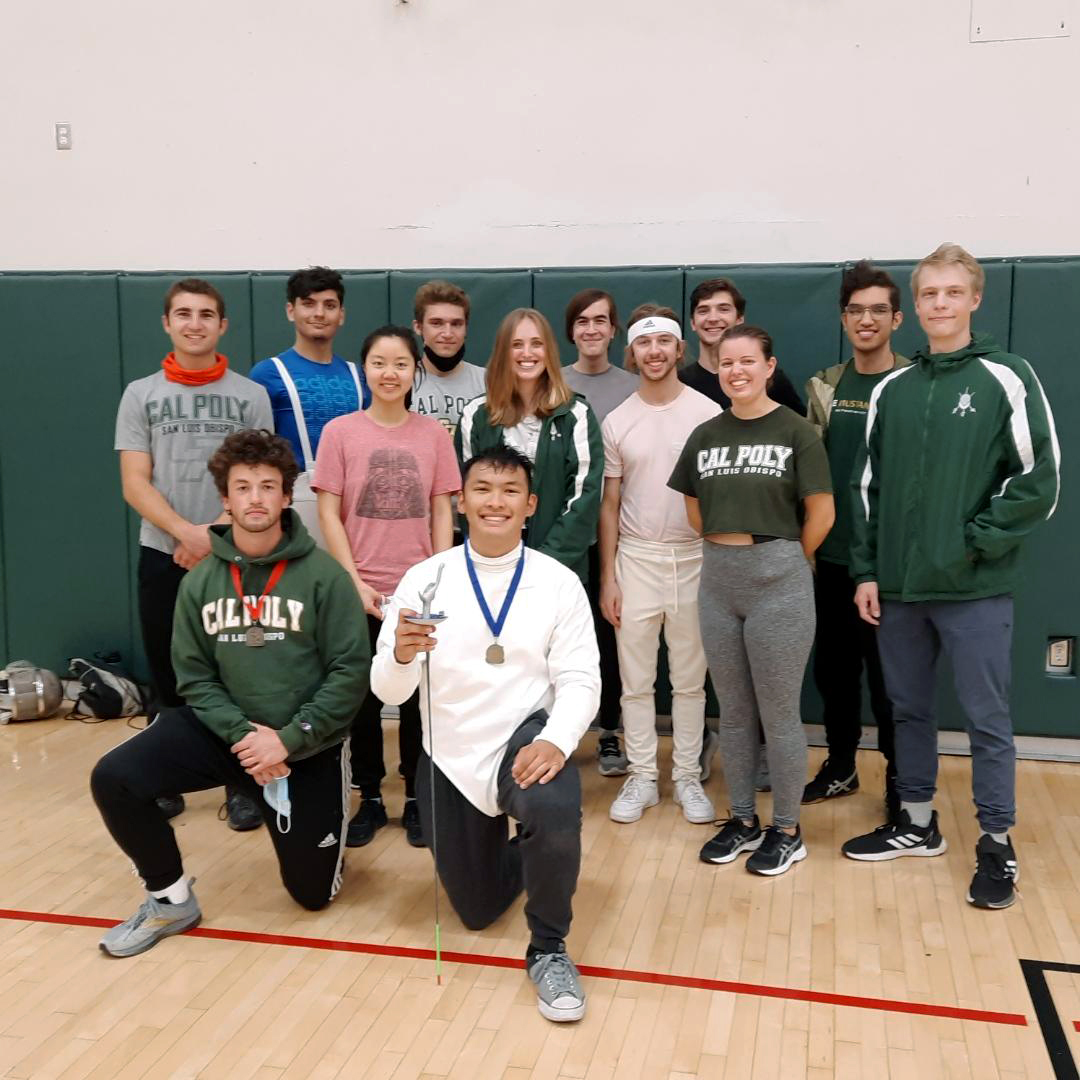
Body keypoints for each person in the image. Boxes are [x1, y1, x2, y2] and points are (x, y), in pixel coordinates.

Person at [91, 429, 370, 957]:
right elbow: (194, 678)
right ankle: (170, 901)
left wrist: (285, 740)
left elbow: (349, 673)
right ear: (226, 499)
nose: (256, 498)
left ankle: (302, 821)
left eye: (268, 486)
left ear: (287, 497)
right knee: (115, 777)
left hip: (305, 745)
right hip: (228, 736)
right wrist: (245, 736)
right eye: (243, 488)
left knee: (312, 895)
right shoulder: (200, 581)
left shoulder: (325, 577)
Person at [842, 244, 1060, 910]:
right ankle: (915, 822)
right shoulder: (892, 390)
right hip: (900, 591)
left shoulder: (1007, 376)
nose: (940, 304)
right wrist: (868, 571)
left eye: (951, 293)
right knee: (907, 709)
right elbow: (868, 489)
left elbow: (1038, 480)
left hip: (972, 588)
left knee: (988, 718)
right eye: (929, 294)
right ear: (918, 306)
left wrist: (975, 544)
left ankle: (995, 841)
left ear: (974, 299)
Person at [370, 445, 600, 1022]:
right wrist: (398, 654)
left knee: (551, 807)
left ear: (530, 504)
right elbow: (388, 693)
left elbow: (580, 678)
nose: (495, 501)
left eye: (509, 491)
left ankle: (548, 948)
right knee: (474, 910)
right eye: (482, 489)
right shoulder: (424, 580)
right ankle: (529, 850)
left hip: (525, 737)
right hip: (449, 750)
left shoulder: (558, 582)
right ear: (462, 501)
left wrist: (557, 739)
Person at [669, 325, 834, 876]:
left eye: (748, 361)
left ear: (769, 366)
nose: (736, 371)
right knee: (734, 714)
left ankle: (786, 828)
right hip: (718, 581)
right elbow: (695, 509)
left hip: (778, 581)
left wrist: (786, 557)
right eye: (727, 362)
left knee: (779, 715)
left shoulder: (796, 432)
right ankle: (742, 819)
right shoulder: (706, 434)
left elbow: (822, 513)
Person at [114, 278, 274, 831]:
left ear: (223, 325)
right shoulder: (141, 394)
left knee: (237, 672)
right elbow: (135, 482)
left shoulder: (250, 394)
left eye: (207, 314)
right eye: (183, 314)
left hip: (233, 554)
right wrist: (186, 533)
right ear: (167, 323)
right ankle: (163, 780)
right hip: (164, 552)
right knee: (168, 672)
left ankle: (241, 784)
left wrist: (215, 537)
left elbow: (259, 478)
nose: (195, 323)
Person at [314, 326, 460, 848]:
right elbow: (329, 511)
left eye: (400, 363)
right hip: (358, 590)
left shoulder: (434, 434)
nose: (390, 372)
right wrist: (351, 581)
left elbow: (444, 505)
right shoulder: (340, 433)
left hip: (419, 592)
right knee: (363, 703)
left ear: (414, 371)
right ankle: (370, 798)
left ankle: (419, 797)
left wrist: (439, 577)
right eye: (379, 362)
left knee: (421, 700)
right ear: (365, 369)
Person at [600, 305, 720, 825]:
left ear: (678, 349)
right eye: (644, 344)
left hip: (696, 560)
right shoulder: (618, 420)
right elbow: (609, 504)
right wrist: (609, 576)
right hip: (637, 559)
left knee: (691, 683)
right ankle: (643, 776)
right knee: (636, 682)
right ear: (634, 352)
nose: (654, 352)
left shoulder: (707, 414)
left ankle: (688, 777)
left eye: (663, 343)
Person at [802, 261, 909, 819]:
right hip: (831, 559)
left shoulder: (917, 383)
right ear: (844, 319)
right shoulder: (826, 384)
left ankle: (901, 778)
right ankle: (841, 765)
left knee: (891, 680)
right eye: (855, 310)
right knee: (835, 673)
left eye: (876, 310)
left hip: (888, 565)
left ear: (896, 317)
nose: (866, 320)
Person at [457, 308, 602, 585]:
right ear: (502, 352)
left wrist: (546, 563)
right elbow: (466, 495)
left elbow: (585, 498)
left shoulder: (577, 414)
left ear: (549, 351)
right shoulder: (476, 415)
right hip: (491, 566)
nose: (527, 353)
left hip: (559, 568)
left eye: (537, 344)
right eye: (516, 345)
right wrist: (492, 557)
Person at [561, 289, 636, 776]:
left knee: (609, 639)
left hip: (619, 535)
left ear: (613, 330)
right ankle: (553, 733)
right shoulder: (554, 382)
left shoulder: (632, 386)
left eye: (601, 321)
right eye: (582, 321)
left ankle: (610, 730)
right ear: (571, 331)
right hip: (567, 536)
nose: (591, 329)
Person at [248, 267, 369, 547]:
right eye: (308, 304)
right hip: (295, 505)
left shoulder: (359, 375)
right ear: (291, 311)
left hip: (354, 504)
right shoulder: (268, 373)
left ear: (341, 315)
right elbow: (256, 457)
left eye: (329, 305)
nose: (319, 313)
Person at [679, 277, 804, 412]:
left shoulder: (768, 377)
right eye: (703, 311)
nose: (713, 318)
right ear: (692, 322)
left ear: (739, 319)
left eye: (723, 309)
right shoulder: (680, 383)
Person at [409, 280, 487, 440]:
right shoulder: (402, 381)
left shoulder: (489, 381)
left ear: (466, 328)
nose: (447, 333)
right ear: (418, 327)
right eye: (436, 323)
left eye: (456, 324)